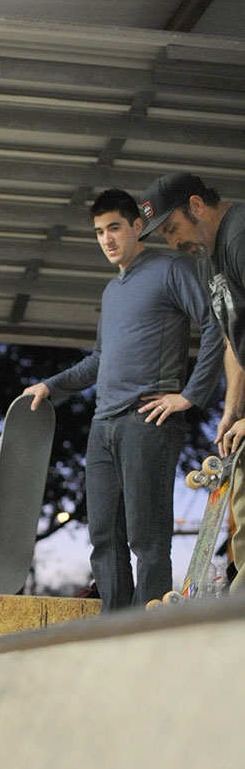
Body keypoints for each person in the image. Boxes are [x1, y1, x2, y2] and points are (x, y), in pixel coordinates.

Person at [21, 188, 223, 609]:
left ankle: (149, 632)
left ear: (136, 226)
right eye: (98, 232)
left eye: (114, 227)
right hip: (103, 426)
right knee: (104, 539)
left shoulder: (171, 268)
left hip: (146, 422)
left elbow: (215, 323)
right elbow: (98, 360)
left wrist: (189, 396)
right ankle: (114, 628)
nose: (107, 239)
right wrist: (51, 387)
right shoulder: (112, 293)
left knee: (146, 539)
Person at [139, 170, 245, 593]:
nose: (172, 243)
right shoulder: (208, 260)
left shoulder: (239, 237)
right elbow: (231, 337)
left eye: (171, 229)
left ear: (197, 206)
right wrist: (232, 409)